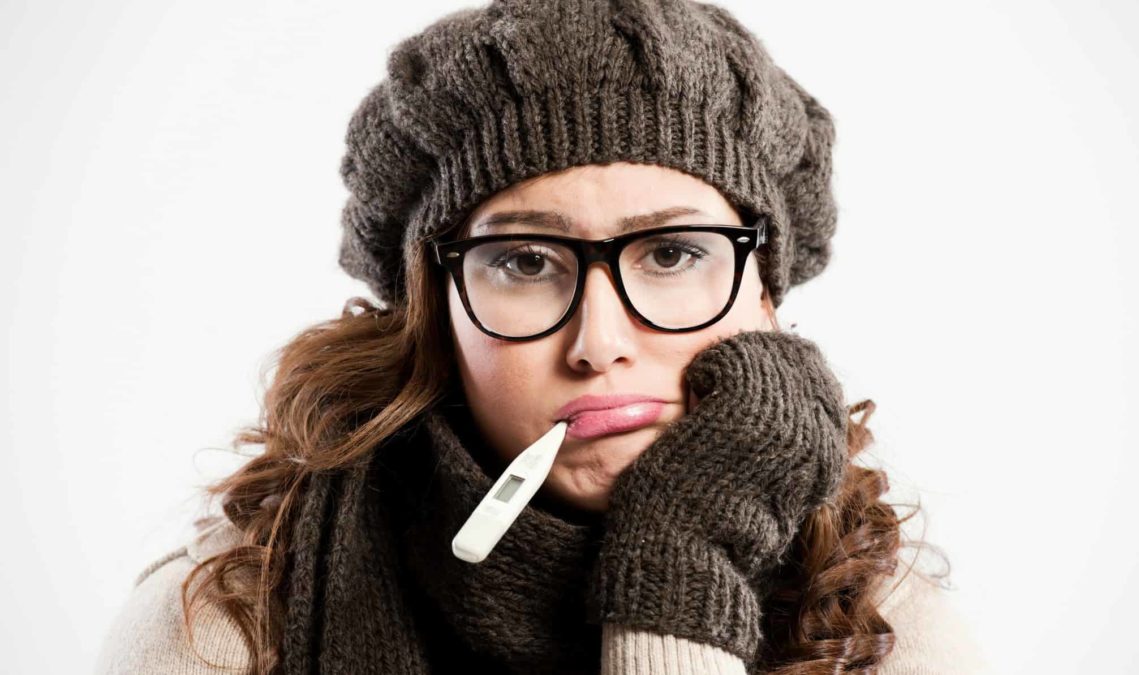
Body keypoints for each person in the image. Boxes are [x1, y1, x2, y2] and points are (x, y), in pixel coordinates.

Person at [95, 0, 992, 673]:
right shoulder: (228, 617)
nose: (598, 341)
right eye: (524, 262)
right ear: (434, 306)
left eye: (673, 253)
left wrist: (678, 575)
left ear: (763, 295)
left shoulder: (883, 630)